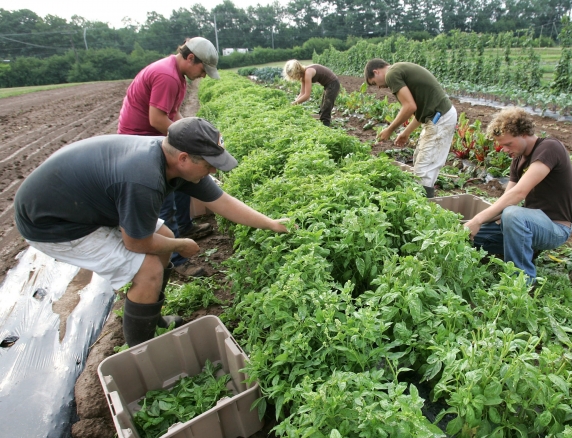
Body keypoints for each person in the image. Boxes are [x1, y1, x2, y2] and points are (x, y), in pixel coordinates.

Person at [15, 117, 289, 347]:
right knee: (148, 269)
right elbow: (135, 241)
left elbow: (222, 202)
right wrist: (182, 245)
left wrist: (272, 223)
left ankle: (152, 318)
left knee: (166, 238)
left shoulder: (174, 162)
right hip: (52, 222)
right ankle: (142, 350)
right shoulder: (144, 179)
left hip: (83, 204)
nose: (213, 169)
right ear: (183, 158)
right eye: (209, 163)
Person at [118, 37, 221, 277]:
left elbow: (173, 115)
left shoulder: (178, 76)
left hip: (152, 137)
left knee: (183, 183)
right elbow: (157, 120)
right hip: (141, 142)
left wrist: (191, 132)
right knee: (165, 200)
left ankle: (185, 227)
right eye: (202, 70)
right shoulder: (167, 76)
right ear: (190, 58)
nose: (203, 75)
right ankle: (175, 260)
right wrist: (190, 142)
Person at [465, 107, 572, 284]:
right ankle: (523, 249)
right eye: (502, 145)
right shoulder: (518, 159)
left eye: (508, 144)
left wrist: (478, 219)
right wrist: (473, 226)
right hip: (529, 224)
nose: (505, 149)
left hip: (555, 228)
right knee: (471, 237)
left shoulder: (549, 148)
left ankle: (521, 283)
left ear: (524, 133)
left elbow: (519, 193)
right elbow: (507, 197)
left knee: (512, 215)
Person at [364, 59, 457, 198]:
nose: (378, 87)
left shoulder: (391, 75)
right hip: (437, 117)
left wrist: (390, 130)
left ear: (376, 72)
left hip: (440, 118)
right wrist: (405, 133)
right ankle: (422, 202)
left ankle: (424, 209)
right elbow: (419, 111)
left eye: (374, 82)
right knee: (420, 159)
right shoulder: (399, 69)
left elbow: (409, 107)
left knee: (423, 170)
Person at [283, 59, 340, 127]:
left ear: (297, 72)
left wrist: (294, 104)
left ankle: (325, 127)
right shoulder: (303, 76)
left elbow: (307, 95)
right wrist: (294, 103)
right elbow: (302, 93)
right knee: (323, 107)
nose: (294, 78)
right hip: (328, 85)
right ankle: (323, 123)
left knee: (326, 107)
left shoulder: (308, 73)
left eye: (293, 76)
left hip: (333, 84)